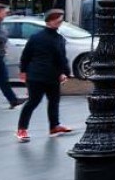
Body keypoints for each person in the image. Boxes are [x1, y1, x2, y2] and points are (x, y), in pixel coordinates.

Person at [16, 9, 74, 142]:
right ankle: (23, 129)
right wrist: (65, 72)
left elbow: (26, 55)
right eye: (58, 19)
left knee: (50, 101)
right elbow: (61, 58)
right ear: (50, 21)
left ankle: (53, 126)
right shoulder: (57, 39)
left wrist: (24, 70)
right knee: (35, 101)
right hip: (40, 75)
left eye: (61, 19)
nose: (60, 22)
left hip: (43, 75)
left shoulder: (37, 37)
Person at [0, 5, 22, 109]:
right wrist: (0, 37)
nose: (5, 15)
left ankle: (13, 100)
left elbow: (3, 36)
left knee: (3, 80)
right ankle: (13, 100)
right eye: (4, 12)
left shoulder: (0, 25)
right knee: (3, 79)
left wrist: (0, 37)